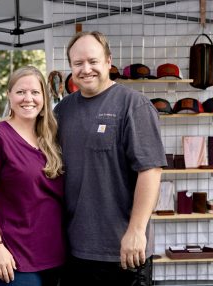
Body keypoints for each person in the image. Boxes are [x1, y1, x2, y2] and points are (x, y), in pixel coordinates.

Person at [54, 31, 167, 285]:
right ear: (70, 67)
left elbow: (150, 171)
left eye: (93, 61)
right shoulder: (63, 110)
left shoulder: (133, 105)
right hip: (75, 251)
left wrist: (137, 231)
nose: (86, 69)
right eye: (78, 63)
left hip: (123, 251)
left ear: (108, 61)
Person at [0, 66, 65, 286]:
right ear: (9, 96)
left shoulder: (50, 139)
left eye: (35, 92)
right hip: (11, 253)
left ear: (44, 99)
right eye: (21, 92)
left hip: (50, 252)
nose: (28, 98)